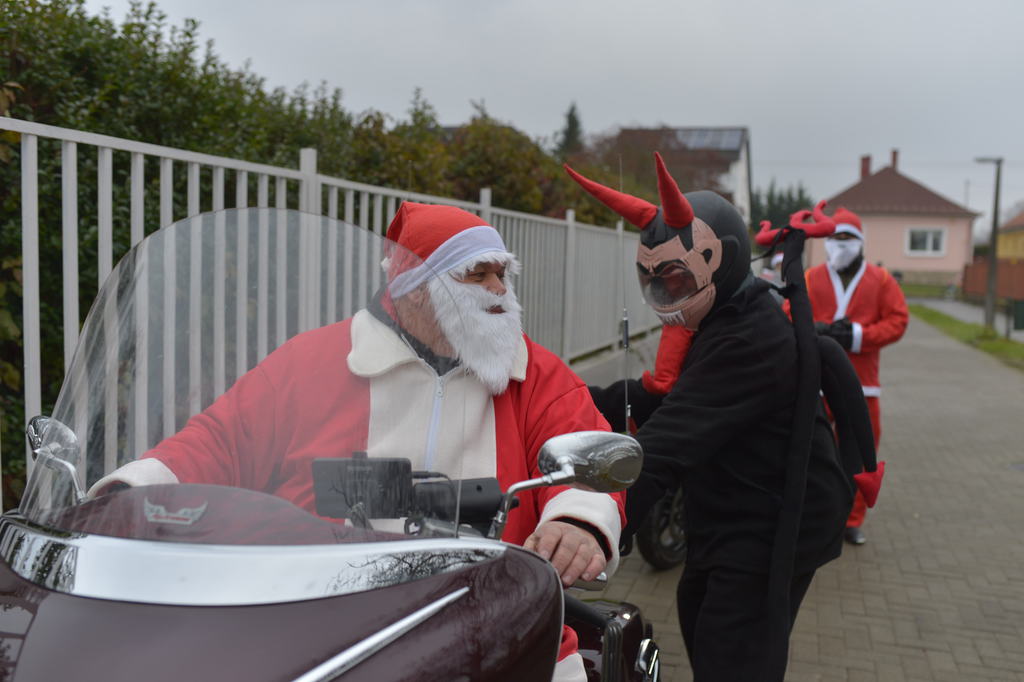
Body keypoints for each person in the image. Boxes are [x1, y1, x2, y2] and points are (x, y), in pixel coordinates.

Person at [88, 201, 625, 681]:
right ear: (414, 288)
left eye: (502, 275)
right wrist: (137, 491)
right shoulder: (312, 362)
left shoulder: (535, 375)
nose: (499, 291)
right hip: (327, 622)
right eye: (476, 275)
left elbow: (584, 447)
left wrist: (577, 520)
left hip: (505, 621)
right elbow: (221, 439)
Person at [566, 153, 854, 682]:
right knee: (698, 610)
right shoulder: (726, 319)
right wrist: (573, 397)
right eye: (651, 279)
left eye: (674, 279)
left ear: (720, 260)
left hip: (773, 521)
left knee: (731, 651)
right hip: (734, 508)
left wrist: (592, 523)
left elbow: (669, 441)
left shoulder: (749, 340)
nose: (664, 294)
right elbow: (675, 400)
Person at [799, 206, 908, 545]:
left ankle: (852, 519)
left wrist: (857, 335)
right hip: (817, 382)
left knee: (861, 454)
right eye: (834, 238)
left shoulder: (882, 280)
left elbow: (898, 321)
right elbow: (790, 313)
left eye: (847, 239)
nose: (840, 244)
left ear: (860, 242)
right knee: (809, 450)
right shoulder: (811, 277)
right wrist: (812, 329)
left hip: (863, 386)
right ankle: (810, 513)